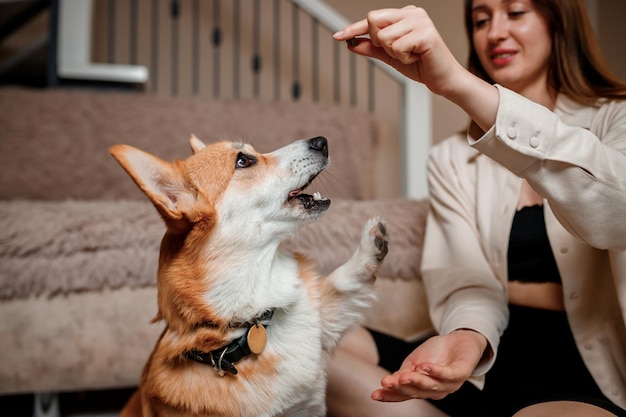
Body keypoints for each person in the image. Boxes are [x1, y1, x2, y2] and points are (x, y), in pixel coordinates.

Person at [329, 1, 626, 416]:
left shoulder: (616, 118)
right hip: (482, 352)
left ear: (560, 23)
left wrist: (456, 84)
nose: (495, 32)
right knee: (303, 346)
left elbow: (616, 216)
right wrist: (468, 336)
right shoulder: (449, 158)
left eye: (516, 12)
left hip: (580, 372)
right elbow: (466, 279)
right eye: (481, 20)